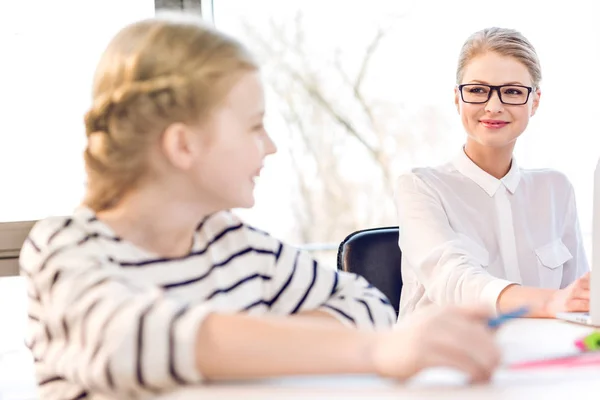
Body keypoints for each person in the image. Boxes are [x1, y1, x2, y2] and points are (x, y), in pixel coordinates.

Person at [19, 13, 500, 400]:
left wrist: (263, 346)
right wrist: (374, 352)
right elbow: (133, 341)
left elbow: (367, 305)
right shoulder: (65, 249)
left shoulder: (234, 245)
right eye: (254, 126)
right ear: (183, 145)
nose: (270, 146)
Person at [395, 27, 590, 320]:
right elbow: (453, 280)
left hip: (540, 358)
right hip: (444, 357)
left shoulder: (556, 189)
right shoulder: (420, 187)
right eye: (477, 90)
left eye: (512, 91)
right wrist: (552, 302)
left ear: (534, 101)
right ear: (458, 98)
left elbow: (577, 299)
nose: (493, 106)